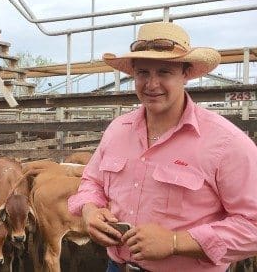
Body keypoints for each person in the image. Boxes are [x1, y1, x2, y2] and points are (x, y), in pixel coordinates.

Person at [68, 21, 257, 272]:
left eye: (164, 72)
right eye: (143, 72)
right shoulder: (117, 131)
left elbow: (252, 225)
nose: (151, 84)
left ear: (185, 74)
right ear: (133, 74)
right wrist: (91, 210)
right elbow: (92, 182)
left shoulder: (226, 142)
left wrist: (176, 242)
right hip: (117, 266)